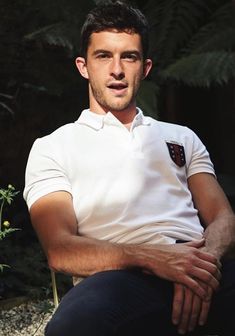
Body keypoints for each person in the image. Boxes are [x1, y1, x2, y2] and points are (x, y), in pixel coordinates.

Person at [23, 1, 235, 335]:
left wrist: (199, 266)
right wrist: (156, 259)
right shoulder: (53, 147)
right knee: (71, 327)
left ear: (145, 67)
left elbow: (223, 218)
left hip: (200, 262)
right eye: (104, 56)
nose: (117, 70)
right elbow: (61, 249)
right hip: (117, 278)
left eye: (129, 57)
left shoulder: (181, 136)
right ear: (83, 66)